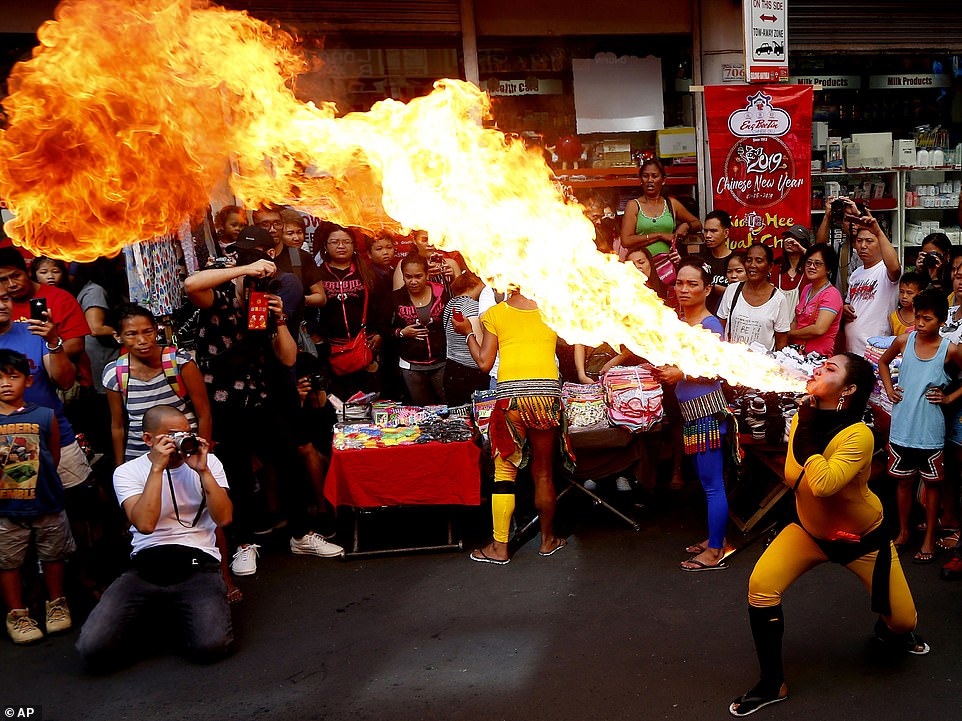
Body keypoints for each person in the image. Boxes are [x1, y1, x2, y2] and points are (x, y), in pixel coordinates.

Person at [730, 353, 929, 717]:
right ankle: (772, 683)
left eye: (831, 368)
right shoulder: (801, 421)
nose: (818, 368)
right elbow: (794, 478)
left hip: (861, 540)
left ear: (849, 389)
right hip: (810, 532)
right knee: (761, 586)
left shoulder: (859, 434)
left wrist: (805, 433)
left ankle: (892, 631)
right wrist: (803, 428)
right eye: (820, 364)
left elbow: (822, 485)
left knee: (903, 623)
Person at [185, 245, 343, 576]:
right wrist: (244, 270)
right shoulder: (220, 296)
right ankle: (243, 544)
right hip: (224, 401)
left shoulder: (263, 305)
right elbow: (191, 284)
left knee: (289, 461)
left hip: (260, 396)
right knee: (238, 473)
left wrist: (281, 320)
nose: (258, 286)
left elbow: (287, 357)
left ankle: (301, 535)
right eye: (256, 278)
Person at [75, 406, 234, 669]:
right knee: (92, 649)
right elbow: (146, 524)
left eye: (185, 433)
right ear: (148, 439)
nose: (180, 440)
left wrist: (203, 471)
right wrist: (157, 469)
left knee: (211, 646)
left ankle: (167, 614)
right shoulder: (127, 472)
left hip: (198, 564)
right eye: (171, 435)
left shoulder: (208, 462)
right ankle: (162, 615)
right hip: (145, 566)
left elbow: (225, 518)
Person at [453, 288, 570, 563]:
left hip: (511, 398)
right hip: (546, 394)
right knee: (543, 471)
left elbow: (484, 363)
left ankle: (499, 546)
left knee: (504, 472)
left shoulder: (496, 313)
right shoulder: (553, 310)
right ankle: (548, 540)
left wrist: (468, 332)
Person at [654, 259, 732, 571]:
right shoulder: (679, 322)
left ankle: (716, 550)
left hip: (707, 413)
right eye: (679, 283)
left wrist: (680, 373)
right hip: (692, 414)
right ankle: (715, 538)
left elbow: (717, 369)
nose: (684, 289)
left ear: (707, 289)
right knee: (705, 482)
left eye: (692, 284)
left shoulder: (710, 325)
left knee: (713, 484)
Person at [878, 290, 962, 563]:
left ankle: (928, 540)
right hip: (903, 427)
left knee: (932, 485)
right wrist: (889, 389)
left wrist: (949, 397)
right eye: (918, 317)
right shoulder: (904, 341)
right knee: (903, 483)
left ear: (940, 321)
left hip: (930, 431)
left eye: (927, 318)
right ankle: (903, 532)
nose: (921, 323)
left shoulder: (949, 350)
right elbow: (882, 361)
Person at [0, 349, 73, 644]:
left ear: (28, 381)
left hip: (47, 502)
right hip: (6, 509)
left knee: (53, 556)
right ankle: (17, 614)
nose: (5, 383)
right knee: (8, 562)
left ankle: (56, 605)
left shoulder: (44, 415)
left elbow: (52, 456)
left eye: (13, 376)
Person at [313, 223, 385, 401]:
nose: (341, 246)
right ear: (326, 246)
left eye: (346, 242)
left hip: (365, 347)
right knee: (338, 402)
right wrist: (317, 338)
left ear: (353, 246)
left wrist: (380, 333)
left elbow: (382, 306)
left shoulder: (367, 273)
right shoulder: (318, 274)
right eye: (335, 242)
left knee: (367, 399)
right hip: (331, 350)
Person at [841, 203, 901, 355]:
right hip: (852, 348)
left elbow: (895, 268)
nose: (863, 246)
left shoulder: (885, 270)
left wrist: (879, 232)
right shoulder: (856, 273)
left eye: (869, 241)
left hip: (876, 349)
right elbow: (851, 303)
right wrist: (845, 308)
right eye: (859, 241)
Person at [620, 156, 701, 268]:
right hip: (641, 268)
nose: (650, 180)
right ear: (640, 180)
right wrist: (659, 235)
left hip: (668, 267)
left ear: (663, 180)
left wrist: (686, 226)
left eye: (655, 176)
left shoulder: (671, 204)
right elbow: (626, 241)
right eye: (645, 176)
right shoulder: (633, 206)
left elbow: (698, 224)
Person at [391, 253, 448, 405]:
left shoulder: (441, 293)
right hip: (411, 365)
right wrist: (402, 333)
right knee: (420, 410)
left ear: (427, 275)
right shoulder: (395, 298)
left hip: (441, 362)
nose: (413, 281)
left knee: (446, 406)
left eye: (418, 276)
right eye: (408, 277)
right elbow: (382, 328)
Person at [717, 243, 791, 351]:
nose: (752, 265)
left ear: (770, 267)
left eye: (759, 261)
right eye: (749, 260)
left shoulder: (778, 299)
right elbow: (720, 329)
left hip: (762, 366)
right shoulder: (732, 290)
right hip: (732, 363)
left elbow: (781, 345)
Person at [442, 270, 489, 406]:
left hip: (452, 368)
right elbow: (481, 347)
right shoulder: (473, 307)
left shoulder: (450, 304)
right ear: (477, 283)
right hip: (470, 374)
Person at [788, 244, 843, 356]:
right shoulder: (807, 288)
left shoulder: (832, 294)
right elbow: (797, 319)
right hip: (796, 353)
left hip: (817, 356)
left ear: (828, 269)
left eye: (817, 264)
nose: (811, 267)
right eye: (808, 262)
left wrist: (789, 334)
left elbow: (819, 329)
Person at [392, 230, 463, 296]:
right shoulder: (405, 264)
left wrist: (454, 279)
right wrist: (424, 278)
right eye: (424, 240)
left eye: (434, 240)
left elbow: (463, 295)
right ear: (414, 240)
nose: (430, 244)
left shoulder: (450, 264)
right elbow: (398, 296)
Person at [772, 224, 811, 312]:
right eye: (788, 238)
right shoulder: (777, 268)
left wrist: (802, 249)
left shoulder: (810, 269)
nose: (791, 242)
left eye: (796, 239)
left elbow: (817, 260)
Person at [702, 210, 733, 312]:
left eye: (713, 231)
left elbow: (741, 294)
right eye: (705, 231)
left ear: (726, 233)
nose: (708, 235)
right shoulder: (700, 261)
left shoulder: (736, 261)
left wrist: (714, 287)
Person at [915, 232, 953, 298]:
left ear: (947, 255)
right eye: (926, 255)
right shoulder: (924, 270)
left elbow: (944, 301)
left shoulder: (954, 273)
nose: (930, 258)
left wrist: (935, 278)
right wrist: (918, 273)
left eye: (933, 255)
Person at [889, 272, 926, 336]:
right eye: (901, 292)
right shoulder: (893, 317)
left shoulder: (925, 315)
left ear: (920, 293)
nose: (904, 296)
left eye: (909, 293)